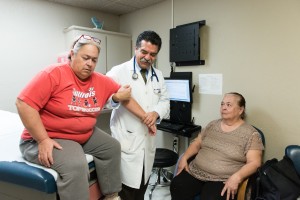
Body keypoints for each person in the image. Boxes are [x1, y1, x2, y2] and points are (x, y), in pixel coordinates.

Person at [16, 34, 132, 200]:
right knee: (76, 165)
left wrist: (138, 110)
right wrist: (42, 140)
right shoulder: (53, 73)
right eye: (85, 58)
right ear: (72, 54)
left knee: (111, 147)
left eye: (94, 60)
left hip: (81, 135)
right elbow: (23, 104)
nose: (90, 64)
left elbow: (123, 93)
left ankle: (111, 195)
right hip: (47, 136)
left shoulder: (100, 80)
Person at [106, 30, 170, 200]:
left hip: (147, 142)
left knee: (142, 186)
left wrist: (156, 113)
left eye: (152, 54)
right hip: (126, 140)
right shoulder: (118, 71)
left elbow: (165, 102)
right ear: (136, 49)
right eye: (144, 52)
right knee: (125, 191)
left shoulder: (159, 75)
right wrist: (116, 97)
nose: (148, 57)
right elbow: (103, 99)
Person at [170, 92, 264, 200]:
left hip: (223, 179)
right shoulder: (212, 125)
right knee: (177, 185)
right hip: (196, 171)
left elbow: (255, 163)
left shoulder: (251, 134)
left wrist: (237, 177)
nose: (223, 108)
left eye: (228, 105)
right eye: (222, 104)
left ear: (240, 110)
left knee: (212, 198)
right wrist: (185, 158)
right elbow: (197, 143)